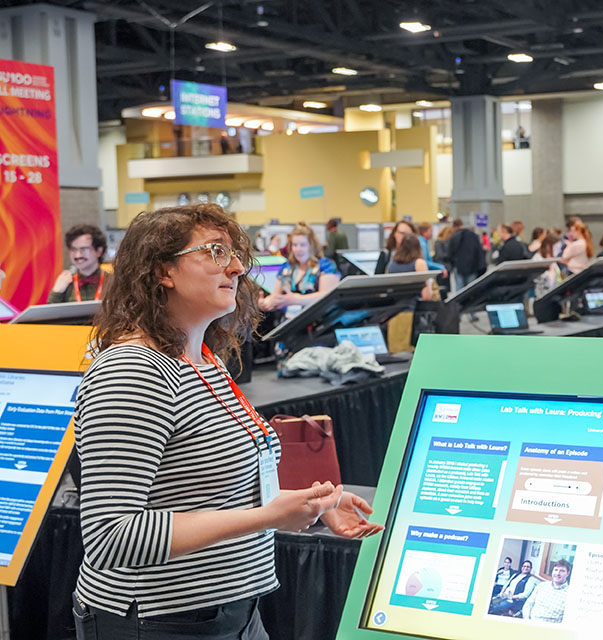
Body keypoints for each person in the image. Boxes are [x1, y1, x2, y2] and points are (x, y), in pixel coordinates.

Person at [73, 204, 382, 638]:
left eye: (234, 253)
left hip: (229, 611)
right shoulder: (134, 370)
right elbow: (111, 535)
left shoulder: (202, 359)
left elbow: (210, 488)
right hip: (160, 621)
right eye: (215, 252)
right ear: (163, 271)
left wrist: (310, 506)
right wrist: (267, 517)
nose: (237, 266)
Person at [260, 222, 340, 316]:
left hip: (317, 323)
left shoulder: (326, 266)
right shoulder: (287, 267)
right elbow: (276, 296)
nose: (298, 249)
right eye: (295, 245)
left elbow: (327, 296)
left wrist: (297, 300)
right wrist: (265, 303)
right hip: (287, 322)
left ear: (311, 245)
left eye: (303, 245)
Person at [48, 224, 112, 303]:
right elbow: (51, 313)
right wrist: (56, 292)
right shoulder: (65, 283)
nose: (78, 255)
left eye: (84, 249)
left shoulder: (113, 281)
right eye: (74, 249)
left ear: (99, 251)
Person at [522, 559, 571, 624]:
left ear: (567, 573)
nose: (557, 573)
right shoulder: (541, 586)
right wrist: (527, 619)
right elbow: (528, 604)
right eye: (556, 570)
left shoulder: (570, 594)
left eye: (562, 571)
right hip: (531, 623)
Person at [447, 219, 485, 292]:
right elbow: (479, 252)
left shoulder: (453, 237)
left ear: (454, 227)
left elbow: (450, 254)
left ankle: (459, 303)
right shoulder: (473, 236)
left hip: (458, 267)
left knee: (459, 289)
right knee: (471, 289)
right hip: (472, 267)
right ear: (462, 225)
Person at [533, 232, 562, 298]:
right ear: (548, 246)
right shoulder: (537, 259)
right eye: (557, 248)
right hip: (541, 298)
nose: (559, 251)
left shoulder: (553, 261)